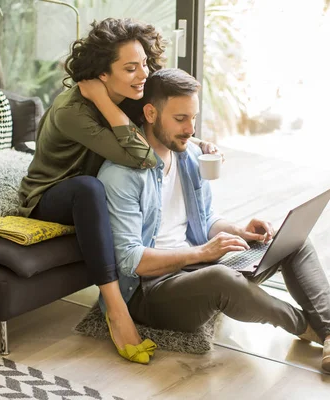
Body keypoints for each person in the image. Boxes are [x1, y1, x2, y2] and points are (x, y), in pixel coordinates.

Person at [96, 68, 330, 373]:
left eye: (193, 117)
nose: (190, 129)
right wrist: (202, 254)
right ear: (150, 114)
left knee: (292, 241)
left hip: (196, 267)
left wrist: (238, 231)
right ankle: (327, 332)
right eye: (180, 119)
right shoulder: (121, 175)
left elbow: (204, 221)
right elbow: (130, 261)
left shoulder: (190, 156)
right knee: (222, 279)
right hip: (151, 291)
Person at [17, 18, 220, 365]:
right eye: (130, 68)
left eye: (143, 63)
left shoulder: (129, 94)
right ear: (102, 74)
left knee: (97, 187)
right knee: (89, 188)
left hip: (95, 189)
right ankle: (115, 309)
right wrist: (102, 101)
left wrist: (197, 140)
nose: (143, 74)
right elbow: (142, 157)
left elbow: (153, 133)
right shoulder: (72, 111)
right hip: (50, 195)